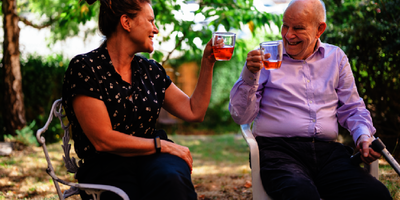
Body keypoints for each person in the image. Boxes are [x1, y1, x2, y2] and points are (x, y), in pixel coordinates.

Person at [229, 0, 392, 199]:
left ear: (319, 29)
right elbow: (241, 116)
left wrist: (363, 136)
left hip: (328, 154)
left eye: (298, 28)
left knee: (376, 194)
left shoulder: (336, 58)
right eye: (285, 26)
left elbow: (353, 108)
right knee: (301, 193)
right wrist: (249, 74)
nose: (288, 35)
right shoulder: (266, 58)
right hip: (278, 152)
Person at [62, 0, 219, 199]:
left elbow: (194, 111)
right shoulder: (86, 68)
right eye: (151, 21)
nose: (156, 30)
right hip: (106, 165)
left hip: (152, 160)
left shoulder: (150, 70)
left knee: (172, 180)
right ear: (126, 23)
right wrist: (164, 145)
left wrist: (207, 62)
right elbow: (103, 140)